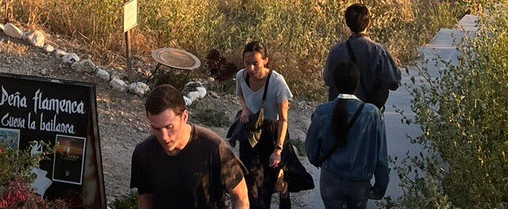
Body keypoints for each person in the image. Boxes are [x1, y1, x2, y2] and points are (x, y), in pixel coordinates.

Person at [130, 84, 249, 209]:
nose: (164, 136)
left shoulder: (213, 148)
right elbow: (144, 199)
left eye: (169, 127)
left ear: (184, 117)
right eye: (156, 128)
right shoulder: (143, 153)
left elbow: (241, 197)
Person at [306, 61, 390, 209]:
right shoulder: (372, 113)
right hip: (360, 182)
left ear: (335, 83)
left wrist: (318, 161)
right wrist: (379, 188)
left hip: (331, 179)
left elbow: (311, 148)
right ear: (357, 83)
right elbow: (380, 157)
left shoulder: (322, 112)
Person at [234, 40, 293, 209]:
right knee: (252, 183)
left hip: (272, 131)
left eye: (256, 64)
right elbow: (240, 95)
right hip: (251, 131)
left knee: (271, 181)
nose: (251, 69)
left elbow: (283, 118)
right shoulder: (241, 76)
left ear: (265, 61)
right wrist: (244, 109)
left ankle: (283, 188)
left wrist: (278, 149)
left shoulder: (277, 82)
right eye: (247, 64)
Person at [323, 4, 401, 109]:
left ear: (347, 24)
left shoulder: (336, 50)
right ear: (368, 24)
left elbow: (328, 79)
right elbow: (394, 82)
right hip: (367, 111)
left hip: (338, 112)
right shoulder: (377, 51)